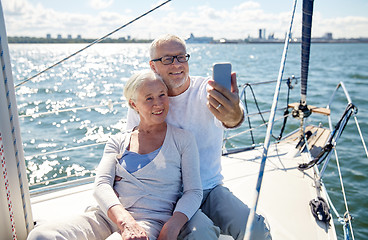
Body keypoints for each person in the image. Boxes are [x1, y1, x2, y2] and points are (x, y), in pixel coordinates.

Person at [27, 70, 211, 240]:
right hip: (108, 216)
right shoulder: (117, 141)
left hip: (150, 221)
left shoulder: (183, 139)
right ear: (133, 104)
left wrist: (172, 226)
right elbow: (101, 185)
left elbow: (193, 191)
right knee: (41, 235)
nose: (158, 103)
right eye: (149, 98)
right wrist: (125, 222)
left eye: (162, 94)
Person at [126, 34, 272, 240]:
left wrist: (234, 114)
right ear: (153, 66)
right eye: (167, 59)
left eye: (181, 57)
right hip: (168, 196)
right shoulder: (145, 99)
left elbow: (233, 118)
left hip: (210, 188)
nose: (177, 64)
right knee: (201, 234)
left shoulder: (208, 91)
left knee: (255, 229)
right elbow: (132, 147)